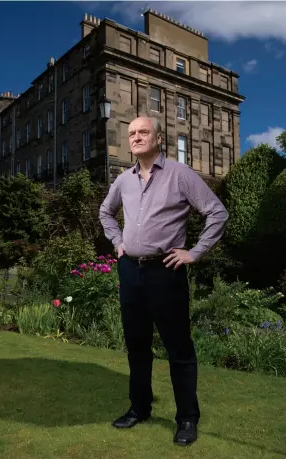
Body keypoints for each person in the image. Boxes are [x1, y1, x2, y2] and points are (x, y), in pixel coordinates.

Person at [99, 116, 228, 446]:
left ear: (159, 139)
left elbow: (217, 212)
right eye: (132, 133)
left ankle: (187, 418)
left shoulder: (179, 174)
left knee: (179, 348)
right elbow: (106, 212)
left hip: (165, 271)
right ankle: (139, 407)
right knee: (137, 345)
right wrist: (117, 242)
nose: (136, 137)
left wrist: (194, 253)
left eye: (143, 132)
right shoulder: (123, 181)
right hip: (130, 271)